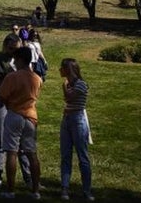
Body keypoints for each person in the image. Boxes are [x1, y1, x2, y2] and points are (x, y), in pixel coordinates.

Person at [0, 33, 32, 191]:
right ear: (5, 46)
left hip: (19, 103)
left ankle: (28, 177)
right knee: (0, 140)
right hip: (1, 102)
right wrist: (7, 78)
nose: (15, 53)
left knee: (22, 143)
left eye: (17, 49)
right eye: (12, 49)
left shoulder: (23, 61)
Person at [0, 46, 43, 200]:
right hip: (30, 116)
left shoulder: (12, 77)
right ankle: (35, 190)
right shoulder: (37, 78)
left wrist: (11, 103)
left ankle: (11, 191)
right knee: (31, 153)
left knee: (11, 152)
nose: (14, 62)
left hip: (14, 114)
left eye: (16, 59)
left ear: (21, 59)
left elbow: (2, 96)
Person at [59, 58, 94, 201]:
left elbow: (69, 98)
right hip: (67, 120)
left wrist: (64, 87)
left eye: (62, 67)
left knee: (82, 156)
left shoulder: (81, 84)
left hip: (78, 121)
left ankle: (86, 190)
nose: (60, 70)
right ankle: (65, 188)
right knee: (65, 156)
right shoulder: (70, 84)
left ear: (68, 69)